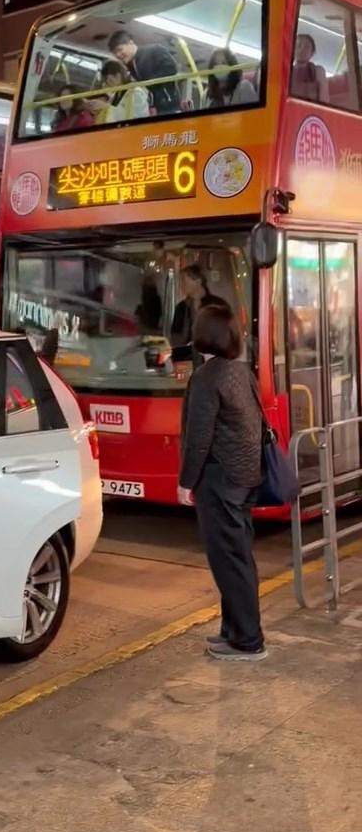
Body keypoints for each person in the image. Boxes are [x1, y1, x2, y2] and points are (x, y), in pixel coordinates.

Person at [177, 304, 266, 662]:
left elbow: (199, 436)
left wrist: (186, 481)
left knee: (228, 560)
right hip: (245, 477)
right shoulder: (241, 371)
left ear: (203, 335)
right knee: (238, 555)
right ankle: (233, 632)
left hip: (220, 478)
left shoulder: (207, 377)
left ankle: (248, 640)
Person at [108, 30, 180, 115]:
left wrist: (146, 85)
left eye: (119, 50)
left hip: (168, 105)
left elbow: (171, 68)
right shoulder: (131, 65)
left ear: (130, 43)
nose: (118, 55)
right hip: (152, 108)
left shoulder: (154, 50)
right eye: (115, 53)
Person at [170, 263, 228, 363]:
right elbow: (175, 336)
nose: (182, 285)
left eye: (184, 281)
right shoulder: (181, 307)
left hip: (212, 360)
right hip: (185, 360)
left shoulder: (217, 305)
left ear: (198, 281)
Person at [291, 33, 327, 103]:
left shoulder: (318, 71)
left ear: (312, 53)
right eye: (298, 46)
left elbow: (324, 99)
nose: (301, 49)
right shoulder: (287, 71)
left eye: (306, 47)